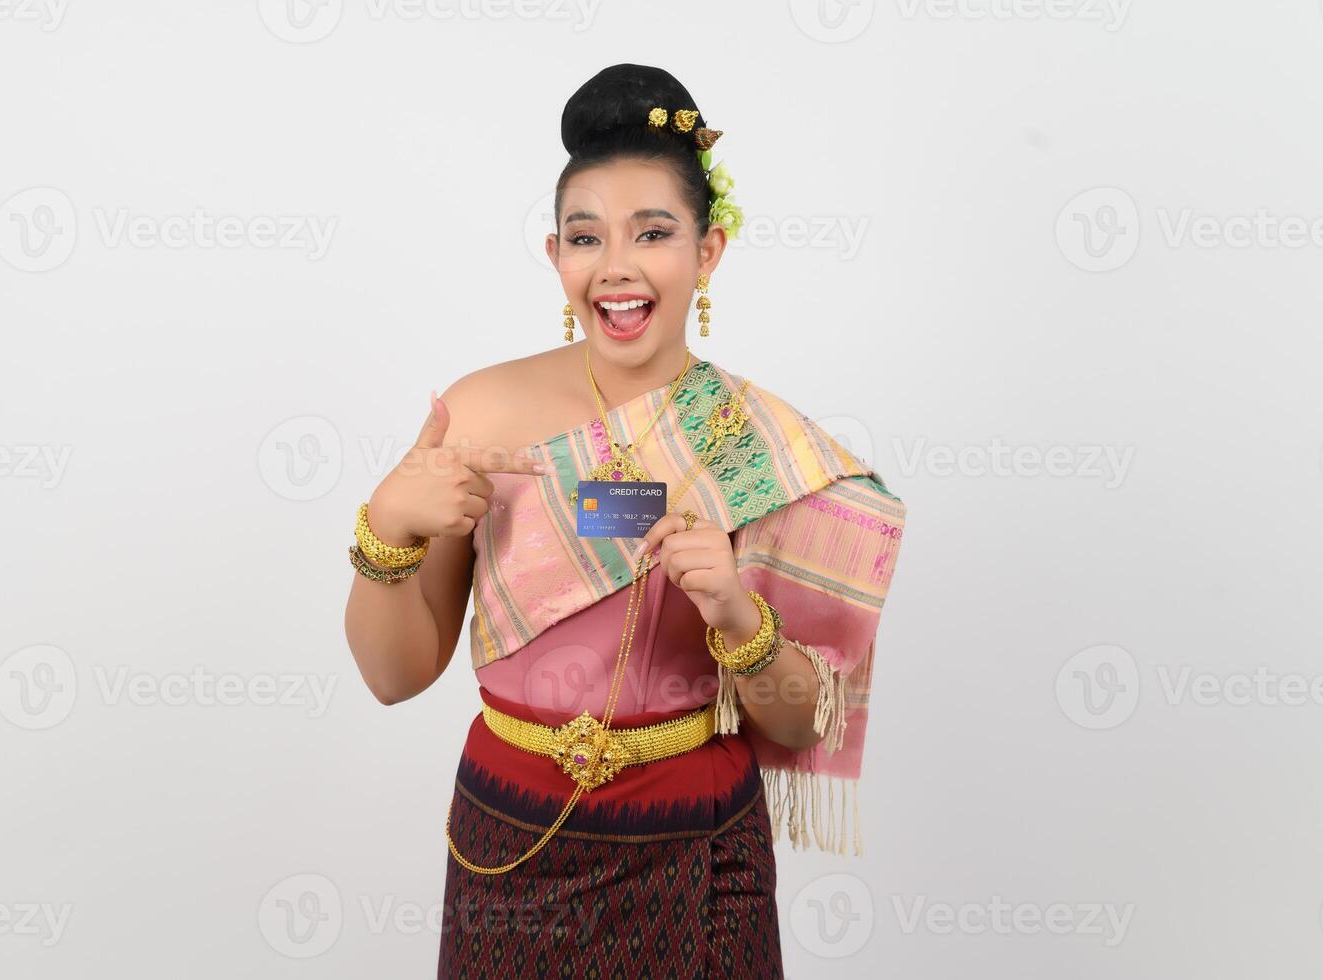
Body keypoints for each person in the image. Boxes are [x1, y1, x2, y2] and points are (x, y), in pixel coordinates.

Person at [343, 63, 907, 979]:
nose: (615, 266)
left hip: (699, 848)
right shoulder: (478, 415)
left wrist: (732, 612)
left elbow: (803, 727)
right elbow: (394, 676)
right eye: (584, 236)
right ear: (555, 253)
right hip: (510, 840)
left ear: (707, 250)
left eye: (653, 233)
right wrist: (386, 531)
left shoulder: (758, 445)